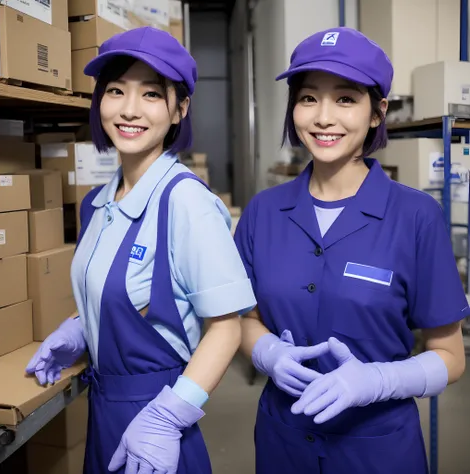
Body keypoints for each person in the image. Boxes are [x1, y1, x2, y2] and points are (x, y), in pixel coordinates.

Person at [234, 27, 468, 474]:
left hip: (377, 448)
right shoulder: (264, 211)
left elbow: (451, 358)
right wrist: (268, 353)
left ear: (377, 112)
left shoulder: (416, 216)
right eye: (308, 99)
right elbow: (245, 319)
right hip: (283, 439)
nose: (323, 117)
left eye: (345, 99)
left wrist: (378, 380)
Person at [25, 27, 257, 474]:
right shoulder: (97, 202)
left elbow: (226, 328)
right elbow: (126, 295)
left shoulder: (186, 202)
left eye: (151, 94)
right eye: (115, 91)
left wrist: (168, 418)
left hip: (158, 417)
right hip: (104, 406)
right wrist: (80, 330)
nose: (129, 109)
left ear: (179, 109)